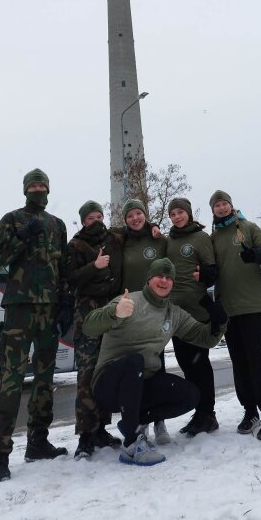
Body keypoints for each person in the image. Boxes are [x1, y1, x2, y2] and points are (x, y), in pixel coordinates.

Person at [83, 258, 227, 466]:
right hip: (109, 385)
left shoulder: (173, 313)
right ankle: (132, 444)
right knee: (134, 362)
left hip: (140, 386)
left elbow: (204, 338)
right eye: (159, 275)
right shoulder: (128, 301)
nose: (164, 280)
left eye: (169, 277)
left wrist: (218, 324)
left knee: (190, 394)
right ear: (149, 278)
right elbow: (89, 327)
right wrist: (113, 313)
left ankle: (138, 420)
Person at [0, 169, 71, 484]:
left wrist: (65, 303)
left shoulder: (57, 225)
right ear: (25, 189)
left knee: (45, 379)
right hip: (19, 310)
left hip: (48, 310)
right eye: (33, 186)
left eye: (42, 185)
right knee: (10, 381)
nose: (38, 190)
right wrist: (20, 238)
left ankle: (37, 442)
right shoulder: (12, 219)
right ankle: (1, 455)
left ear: (48, 189)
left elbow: (62, 267)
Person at [209, 190, 261, 440]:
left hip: (251, 304)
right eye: (217, 205)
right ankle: (250, 411)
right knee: (238, 362)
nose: (221, 208)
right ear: (213, 210)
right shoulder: (213, 236)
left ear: (231, 205)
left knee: (256, 359)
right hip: (227, 307)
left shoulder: (248, 228)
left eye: (224, 203)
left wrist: (257, 255)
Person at [66, 200, 123, 459]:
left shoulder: (115, 239)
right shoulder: (76, 245)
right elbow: (69, 280)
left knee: (107, 372)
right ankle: (86, 435)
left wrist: (154, 227)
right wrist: (94, 267)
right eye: (91, 218)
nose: (97, 220)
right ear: (83, 221)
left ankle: (102, 428)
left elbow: (139, 229)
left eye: (100, 215)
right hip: (87, 315)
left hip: (113, 312)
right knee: (87, 375)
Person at [166, 197, 224, 436]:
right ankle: (199, 412)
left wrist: (205, 275)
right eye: (173, 214)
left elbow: (212, 270)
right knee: (186, 365)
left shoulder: (200, 238)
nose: (177, 217)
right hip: (175, 315)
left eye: (180, 212)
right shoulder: (168, 240)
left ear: (188, 213)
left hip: (197, 313)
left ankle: (208, 414)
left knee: (200, 365)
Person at [115, 198, 169, 444]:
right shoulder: (120, 241)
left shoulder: (158, 240)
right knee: (137, 368)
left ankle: (160, 420)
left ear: (145, 216)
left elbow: (171, 267)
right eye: (130, 215)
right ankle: (142, 421)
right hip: (131, 310)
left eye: (139, 214)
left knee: (158, 364)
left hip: (156, 309)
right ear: (125, 220)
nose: (135, 218)